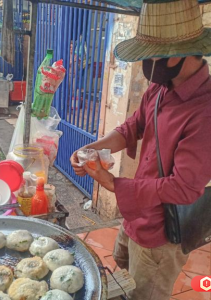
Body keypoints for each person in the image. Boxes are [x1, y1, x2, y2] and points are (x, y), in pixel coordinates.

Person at [70, 0, 211, 299]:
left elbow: (184, 188)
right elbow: (130, 129)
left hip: (162, 234)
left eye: (154, 56)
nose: (148, 64)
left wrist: (113, 184)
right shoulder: (160, 88)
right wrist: (92, 148)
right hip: (135, 216)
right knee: (122, 275)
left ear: (184, 51)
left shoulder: (205, 112)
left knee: (143, 293)